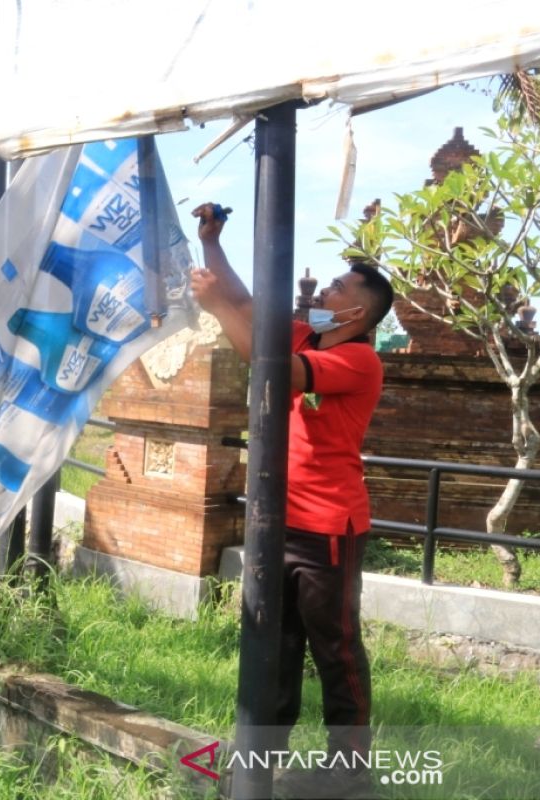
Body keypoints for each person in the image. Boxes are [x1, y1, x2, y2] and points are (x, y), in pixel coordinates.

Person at [188, 203, 394, 799]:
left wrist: (217, 307)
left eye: (337, 286)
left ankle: (350, 772)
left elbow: (274, 366)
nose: (324, 287)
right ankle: (263, 759)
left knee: (336, 647)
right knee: (274, 645)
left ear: (356, 310)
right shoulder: (308, 331)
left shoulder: (359, 360)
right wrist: (212, 244)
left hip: (330, 525)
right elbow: (246, 303)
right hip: (279, 521)